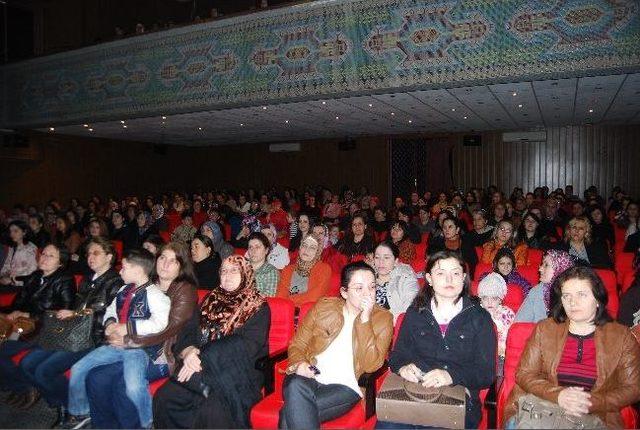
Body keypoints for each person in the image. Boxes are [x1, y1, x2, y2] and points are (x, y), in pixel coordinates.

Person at [504, 266, 640, 429]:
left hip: (595, 415)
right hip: (542, 409)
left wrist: (591, 402)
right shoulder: (545, 329)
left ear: (597, 299)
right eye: (566, 296)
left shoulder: (621, 336)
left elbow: (633, 388)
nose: (572, 302)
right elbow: (524, 374)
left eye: (581, 294)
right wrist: (558, 395)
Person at [153, 255, 270, 428]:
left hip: (235, 372)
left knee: (211, 411)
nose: (227, 275)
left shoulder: (257, 306)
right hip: (196, 366)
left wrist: (202, 356)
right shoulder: (211, 298)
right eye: (223, 271)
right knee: (164, 398)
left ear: (246, 273)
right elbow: (188, 329)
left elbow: (246, 346)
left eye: (234, 270)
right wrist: (189, 350)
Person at [385, 250, 496, 429]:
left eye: (455, 273)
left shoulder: (480, 318)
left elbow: (486, 373)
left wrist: (451, 375)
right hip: (415, 392)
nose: (449, 279)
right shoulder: (415, 313)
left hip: (456, 395)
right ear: (429, 278)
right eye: (441, 273)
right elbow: (398, 356)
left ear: (464, 277)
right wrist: (403, 367)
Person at [19, 238, 123, 424]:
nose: (90, 257)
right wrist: (70, 315)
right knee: (27, 363)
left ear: (109, 257)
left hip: (92, 338)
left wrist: (75, 314)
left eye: (96, 253)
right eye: (88, 253)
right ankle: (59, 401)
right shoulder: (86, 279)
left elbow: (108, 319)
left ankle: (68, 406)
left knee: (44, 370)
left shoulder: (116, 283)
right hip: (71, 333)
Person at [64, 249, 170, 429]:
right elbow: (111, 310)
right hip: (114, 345)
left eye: (125, 268)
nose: (120, 271)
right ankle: (81, 411)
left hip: (137, 349)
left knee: (134, 387)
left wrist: (127, 328)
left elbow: (159, 323)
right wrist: (110, 324)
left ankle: (147, 421)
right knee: (78, 368)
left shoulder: (156, 295)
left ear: (138, 270)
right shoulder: (123, 290)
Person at [279, 262, 393, 428]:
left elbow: (371, 365)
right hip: (310, 375)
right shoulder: (323, 307)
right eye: (359, 288)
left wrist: (365, 320)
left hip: (346, 386)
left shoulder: (383, 319)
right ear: (344, 292)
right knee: (295, 385)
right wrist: (299, 363)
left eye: (372, 287)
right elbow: (298, 344)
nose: (368, 294)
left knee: (288, 413)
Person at [0, 243, 75, 408]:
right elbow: (19, 301)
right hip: (23, 325)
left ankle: (24, 386)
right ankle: (19, 386)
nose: (44, 258)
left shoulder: (64, 280)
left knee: (3, 350)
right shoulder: (35, 276)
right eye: (43, 254)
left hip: (43, 328)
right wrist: (11, 312)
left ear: (60, 262)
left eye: (50, 256)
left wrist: (28, 315)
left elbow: (63, 313)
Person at [515, 250, 575, 322]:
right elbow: (519, 324)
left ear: (560, 268)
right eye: (542, 264)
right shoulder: (537, 291)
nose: (540, 269)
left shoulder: (574, 295)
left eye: (546, 265)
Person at [276, 234, 331, 306]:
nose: (306, 250)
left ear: (318, 252)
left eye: (312, 248)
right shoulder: (288, 270)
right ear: (300, 248)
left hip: (311, 312)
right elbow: (280, 296)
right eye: (304, 245)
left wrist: (289, 300)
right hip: (286, 311)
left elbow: (314, 298)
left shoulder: (324, 269)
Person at [477, 273, 514, 376]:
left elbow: (511, 339)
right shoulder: (476, 313)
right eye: (485, 298)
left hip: (501, 356)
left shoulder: (507, 314)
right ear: (480, 299)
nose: (489, 302)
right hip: (479, 356)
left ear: (500, 299)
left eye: (494, 298)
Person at [372, 242, 419, 322]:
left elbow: (409, 309)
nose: (381, 262)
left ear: (396, 261)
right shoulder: (367, 277)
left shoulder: (406, 277)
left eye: (386, 258)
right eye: (377, 257)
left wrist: (380, 322)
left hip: (392, 326)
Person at [0, 220, 38, 289]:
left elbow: (32, 271)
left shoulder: (30, 248)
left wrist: (12, 279)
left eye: (15, 231)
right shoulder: (12, 247)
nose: (12, 234)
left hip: (22, 285)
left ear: (24, 232)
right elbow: (7, 265)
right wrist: (3, 275)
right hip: (11, 282)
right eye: (10, 231)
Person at [246, 232, 280, 297]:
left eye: (257, 247)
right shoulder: (241, 266)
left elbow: (269, 298)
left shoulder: (270, 271)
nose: (253, 250)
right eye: (250, 247)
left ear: (266, 250)